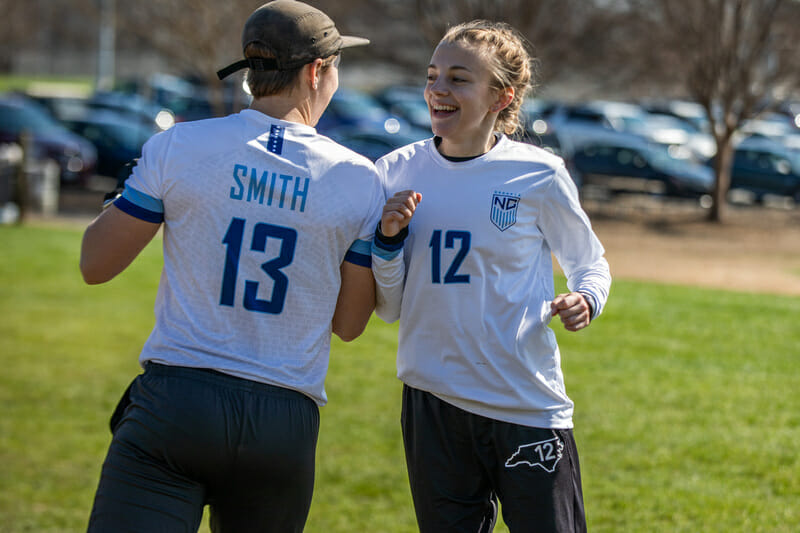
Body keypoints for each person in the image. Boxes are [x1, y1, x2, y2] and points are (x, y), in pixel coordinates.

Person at [79, 2, 382, 531]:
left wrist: (123, 192)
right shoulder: (359, 179)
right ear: (316, 71)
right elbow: (350, 324)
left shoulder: (178, 145)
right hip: (283, 417)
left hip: (178, 400)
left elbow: (96, 264)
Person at [371, 20, 612, 533]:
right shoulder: (394, 172)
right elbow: (389, 307)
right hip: (432, 404)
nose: (438, 89)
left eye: (458, 78)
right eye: (433, 75)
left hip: (525, 404)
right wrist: (388, 242)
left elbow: (589, 262)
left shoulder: (539, 174)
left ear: (501, 97)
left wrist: (587, 297)